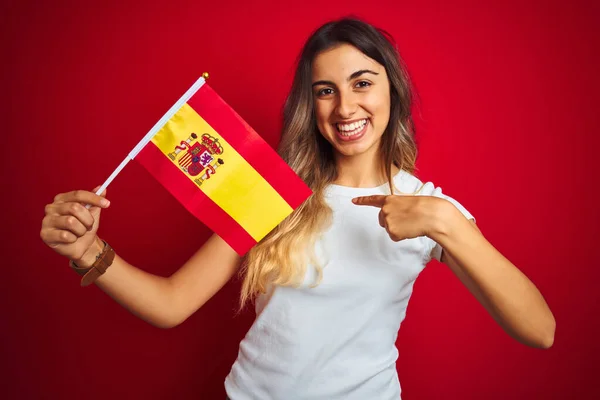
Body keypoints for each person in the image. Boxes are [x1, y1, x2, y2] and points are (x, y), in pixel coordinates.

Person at [40, 17, 556, 400]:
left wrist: (448, 224)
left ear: (392, 91)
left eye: (362, 83)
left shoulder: (428, 209)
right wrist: (89, 251)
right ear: (312, 106)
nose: (345, 107)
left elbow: (540, 331)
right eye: (325, 91)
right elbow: (171, 304)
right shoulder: (273, 193)